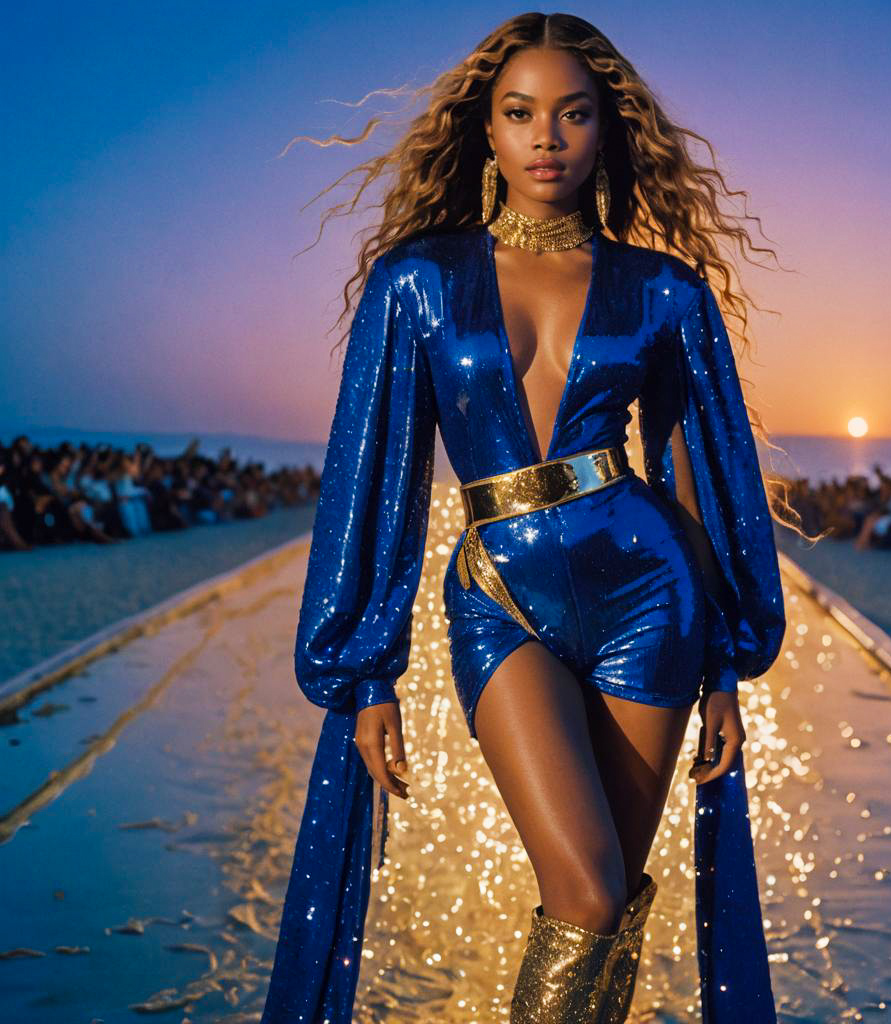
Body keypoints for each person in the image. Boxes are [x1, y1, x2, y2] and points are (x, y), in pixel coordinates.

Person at [261, 13, 807, 1024]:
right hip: (499, 600)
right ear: (487, 132)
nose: (545, 137)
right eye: (520, 114)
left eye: (571, 114)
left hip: (653, 601)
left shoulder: (665, 290)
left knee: (597, 904)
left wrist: (725, 662)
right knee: (590, 888)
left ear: (607, 130)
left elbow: (700, 474)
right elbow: (370, 475)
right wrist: (364, 670)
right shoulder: (416, 280)